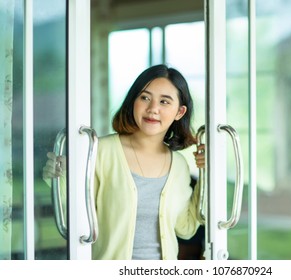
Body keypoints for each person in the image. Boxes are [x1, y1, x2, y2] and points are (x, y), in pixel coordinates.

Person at [43, 64, 205, 260]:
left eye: (164, 102)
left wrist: (209, 176)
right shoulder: (100, 151)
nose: (153, 109)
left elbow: (186, 227)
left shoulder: (179, 165)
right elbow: (76, 220)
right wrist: (60, 178)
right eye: (145, 97)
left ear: (179, 112)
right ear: (133, 101)